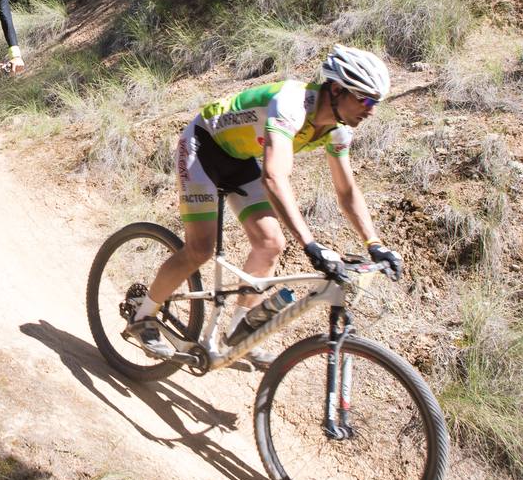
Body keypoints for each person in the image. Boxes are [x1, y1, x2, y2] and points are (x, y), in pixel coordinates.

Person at [124, 45, 404, 369]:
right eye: (366, 100)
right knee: (200, 249)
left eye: (376, 103)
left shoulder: (339, 129)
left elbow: (347, 191)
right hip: (203, 146)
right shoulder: (291, 103)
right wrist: (311, 244)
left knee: (270, 244)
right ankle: (144, 315)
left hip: (239, 159)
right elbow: (274, 177)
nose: (370, 110)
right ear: (338, 89)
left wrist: (375, 244)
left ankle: (238, 333)